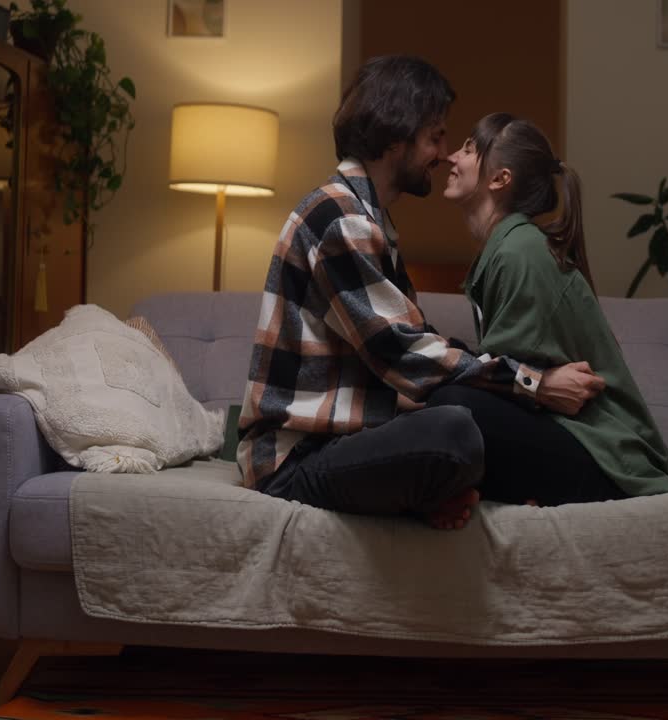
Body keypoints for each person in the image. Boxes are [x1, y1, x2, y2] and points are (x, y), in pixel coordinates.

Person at [238, 57, 606, 530]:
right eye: (436, 136)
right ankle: (449, 488)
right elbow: (407, 355)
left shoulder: (370, 221)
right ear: (397, 137)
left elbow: (417, 350)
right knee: (452, 431)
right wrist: (536, 383)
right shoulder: (340, 219)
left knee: (459, 414)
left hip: (340, 444)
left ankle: (436, 491)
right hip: (293, 463)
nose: (443, 153)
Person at [427, 112, 668, 506]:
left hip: (604, 456)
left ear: (499, 178)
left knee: (452, 405)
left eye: (468, 149)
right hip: (567, 433)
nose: (451, 157)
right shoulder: (509, 248)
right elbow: (507, 372)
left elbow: (499, 378)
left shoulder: (519, 252)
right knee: (445, 406)